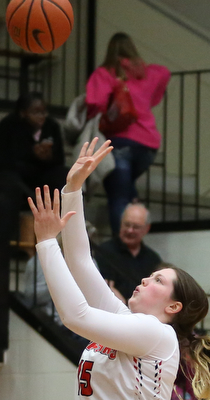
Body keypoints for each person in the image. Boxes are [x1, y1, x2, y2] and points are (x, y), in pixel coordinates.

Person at [28, 138, 210, 400]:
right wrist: (73, 188)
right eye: (151, 276)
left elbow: (75, 316)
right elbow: (80, 261)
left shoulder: (157, 333)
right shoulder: (126, 320)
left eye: (158, 281)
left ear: (173, 307)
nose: (146, 280)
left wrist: (46, 242)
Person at [86, 33, 171, 234]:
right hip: (148, 146)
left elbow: (94, 102)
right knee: (127, 191)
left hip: (121, 142)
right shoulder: (146, 73)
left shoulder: (106, 73)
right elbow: (164, 72)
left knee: (118, 197)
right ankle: (137, 229)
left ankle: (122, 246)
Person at [0, 91, 68, 242]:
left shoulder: (52, 126)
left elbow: (59, 159)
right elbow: (0, 159)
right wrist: (32, 154)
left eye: (44, 111)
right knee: (11, 182)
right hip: (8, 175)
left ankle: (65, 234)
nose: (41, 116)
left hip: (37, 176)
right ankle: (8, 241)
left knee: (63, 176)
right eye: (36, 112)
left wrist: (48, 158)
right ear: (23, 113)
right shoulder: (9, 125)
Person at [95, 202, 162, 303]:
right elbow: (104, 286)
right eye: (126, 224)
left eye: (136, 227)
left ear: (146, 228)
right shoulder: (104, 250)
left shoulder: (153, 258)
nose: (130, 230)